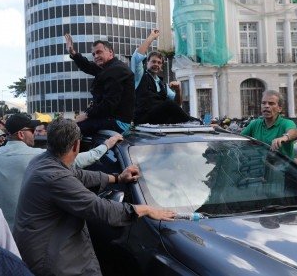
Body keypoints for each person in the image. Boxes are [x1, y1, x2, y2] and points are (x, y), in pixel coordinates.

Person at [13, 118, 176, 276]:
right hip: (53, 263)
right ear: (76, 145)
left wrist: (117, 178)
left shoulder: (43, 161)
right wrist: (145, 209)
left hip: (44, 250)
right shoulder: (55, 177)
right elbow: (99, 208)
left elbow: (78, 174)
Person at [0, 114, 125, 229]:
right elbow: (79, 160)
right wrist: (106, 145)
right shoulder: (38, 156)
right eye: (31, 130)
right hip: (28, 234)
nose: (34, 134)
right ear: (21, 134)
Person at [64, 34, 135, 135]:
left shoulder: (116, 70)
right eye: (93, 54)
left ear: (110, 52)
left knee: (69, 131)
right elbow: (88, 66)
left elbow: (108, 104)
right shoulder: (108, 68)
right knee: (70, 125)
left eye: (99, 52)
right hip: (110, 118)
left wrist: (87, 114)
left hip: (118, 122)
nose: (96, 56)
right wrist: (73, 53)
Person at [132, 31, 194, 124]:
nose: (156, 64)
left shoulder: (163, 85)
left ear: (161, 67)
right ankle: (194, 122)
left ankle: (195, 122)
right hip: (142, 119)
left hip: (157, 120)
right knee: (169, 104)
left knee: (173, 112)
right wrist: (152, 37)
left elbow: (176, 105)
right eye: (153, 61)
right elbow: (137, 57)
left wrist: (178, 90)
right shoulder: (140, 76)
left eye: (159, 62)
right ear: (146, 63)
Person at [241, 90, 297, 158]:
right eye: (263, 103)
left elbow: (294, 133)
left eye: (271, 103)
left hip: (282, 168)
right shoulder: (255, 123)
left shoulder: (287, 123)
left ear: (279, 109)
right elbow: (239, 140)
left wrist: (284, 138)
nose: (266, 106)